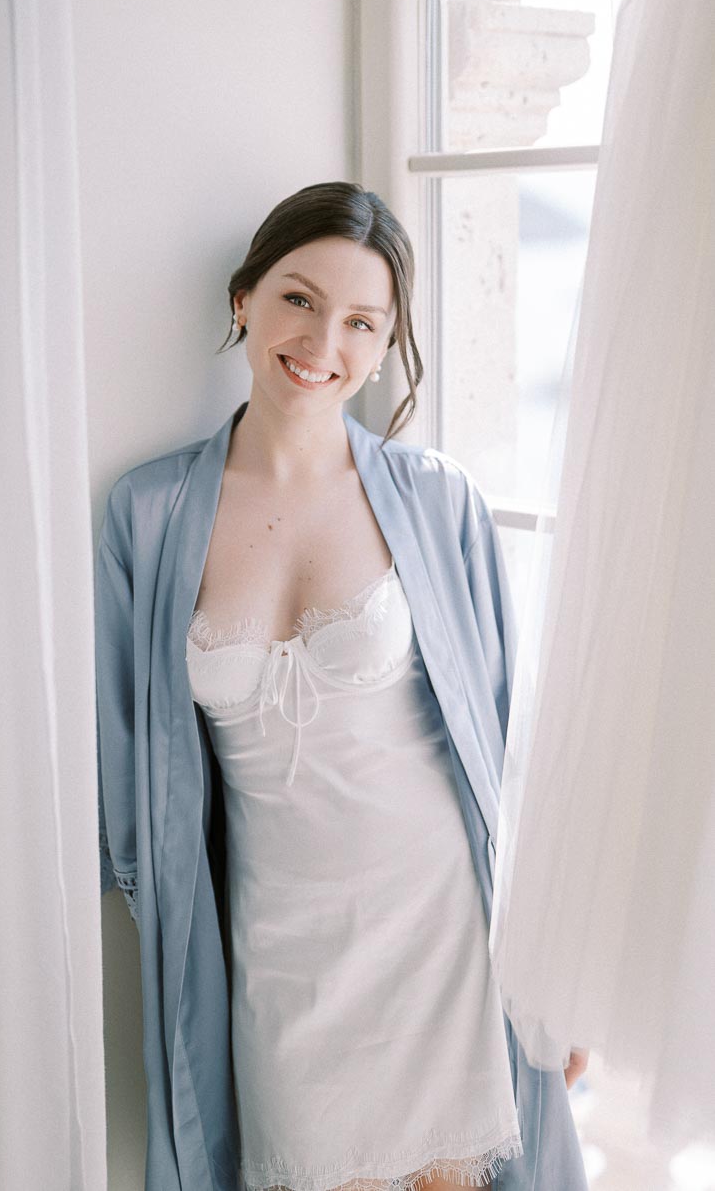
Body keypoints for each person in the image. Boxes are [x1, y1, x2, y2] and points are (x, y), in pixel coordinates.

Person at [96, 181, 589, 1191]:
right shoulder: (146, 513)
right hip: (280, 958)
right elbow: (127, 773)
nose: (324, 340)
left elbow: (515, 748)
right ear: (244, 298)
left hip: (443, 937)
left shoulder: (439, 501)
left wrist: (557, 968)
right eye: (298, 299)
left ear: (388, 343)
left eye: (363, 321)